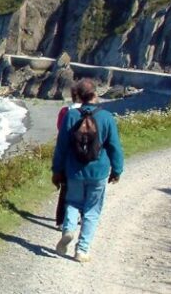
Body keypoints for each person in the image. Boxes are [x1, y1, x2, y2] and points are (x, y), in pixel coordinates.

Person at [51, 78, 124, 263]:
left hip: (74, 171)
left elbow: (61, 147)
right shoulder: (106, 117)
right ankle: (82, 250)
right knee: (92, 210)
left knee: (73, 202)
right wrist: (117, 170)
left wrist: (57, 170)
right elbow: (114, 146)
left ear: (79, 96)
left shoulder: (70, 116)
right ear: (95, 95)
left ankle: (68, 230)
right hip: (98, 172)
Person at [54, 90, 82, 226]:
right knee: (84, 190)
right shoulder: (94, 113)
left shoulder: (65, 111)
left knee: (65, 190)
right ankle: (81, 217)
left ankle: (61, 221)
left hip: (68, 156)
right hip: (85, 157)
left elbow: (60, 129)